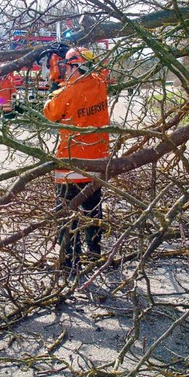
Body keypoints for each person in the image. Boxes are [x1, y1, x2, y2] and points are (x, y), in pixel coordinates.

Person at [43, 47, 110, 276]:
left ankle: (70, 259)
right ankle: (94, 253)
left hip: (70, 165)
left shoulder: (66, 92)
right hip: (97, 164)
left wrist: (54, 82)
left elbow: (50, 113)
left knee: (66, 211)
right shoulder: (100, 83)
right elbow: (104, 67)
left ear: (74, 66)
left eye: (67, 66)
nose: (64, 71)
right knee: (93, 211)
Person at [0, 63, 17, 132]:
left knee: (7, 117)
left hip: (7, 101)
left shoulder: (9, 80)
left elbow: (13, 90)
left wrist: (13, 99)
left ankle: (5, 131)